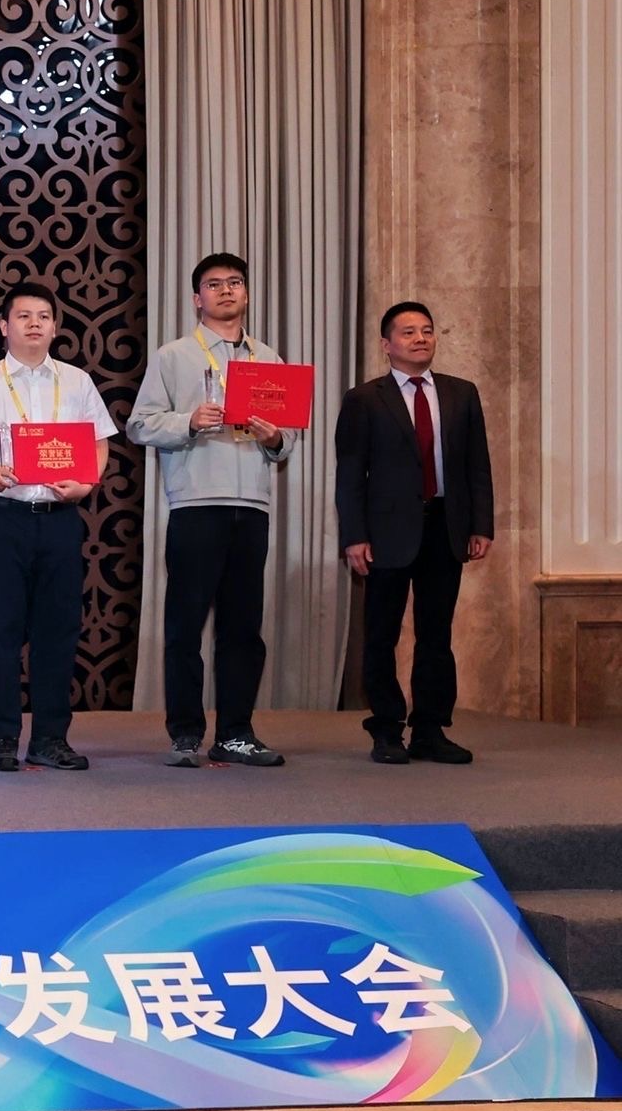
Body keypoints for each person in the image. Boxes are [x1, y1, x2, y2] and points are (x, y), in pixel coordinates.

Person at [128, 252, 297, 768]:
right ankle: (185, 734)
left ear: (246, 293)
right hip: (197, 505)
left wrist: (274, 438)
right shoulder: (174, 356)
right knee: (185, 626)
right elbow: (139, 424)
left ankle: (236, 733)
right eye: (214, 284)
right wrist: (188, 421)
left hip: (252, 506)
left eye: (235, 282)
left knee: (243, 627)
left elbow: (288, 440)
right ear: (197, 298)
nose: (226, 291)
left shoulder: (269, 359)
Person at [0, 282, 116, 771]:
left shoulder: (77, 381)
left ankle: (49, 739)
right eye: (23, 316)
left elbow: (99, 442)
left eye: (43, 316)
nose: (34, 324)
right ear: (4, 327)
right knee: (0, 632)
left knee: (57, 631)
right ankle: (2, 739)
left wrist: (87, 482)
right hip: (2, 518)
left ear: (55, 327)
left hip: (60, 520)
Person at [336, 300, 494, 765]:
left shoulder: (462, 393)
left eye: (426, 330)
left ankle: (430, 729)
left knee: (436, 633)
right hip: (386, 531)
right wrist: (354, 535)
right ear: (386, 345)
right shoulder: (365, 399)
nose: (420, 338)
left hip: (446, 525)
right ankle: (386, 729)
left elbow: (477, 465)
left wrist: (480, 524)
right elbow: (350, 473)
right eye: (408, 332)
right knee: (381, 634)